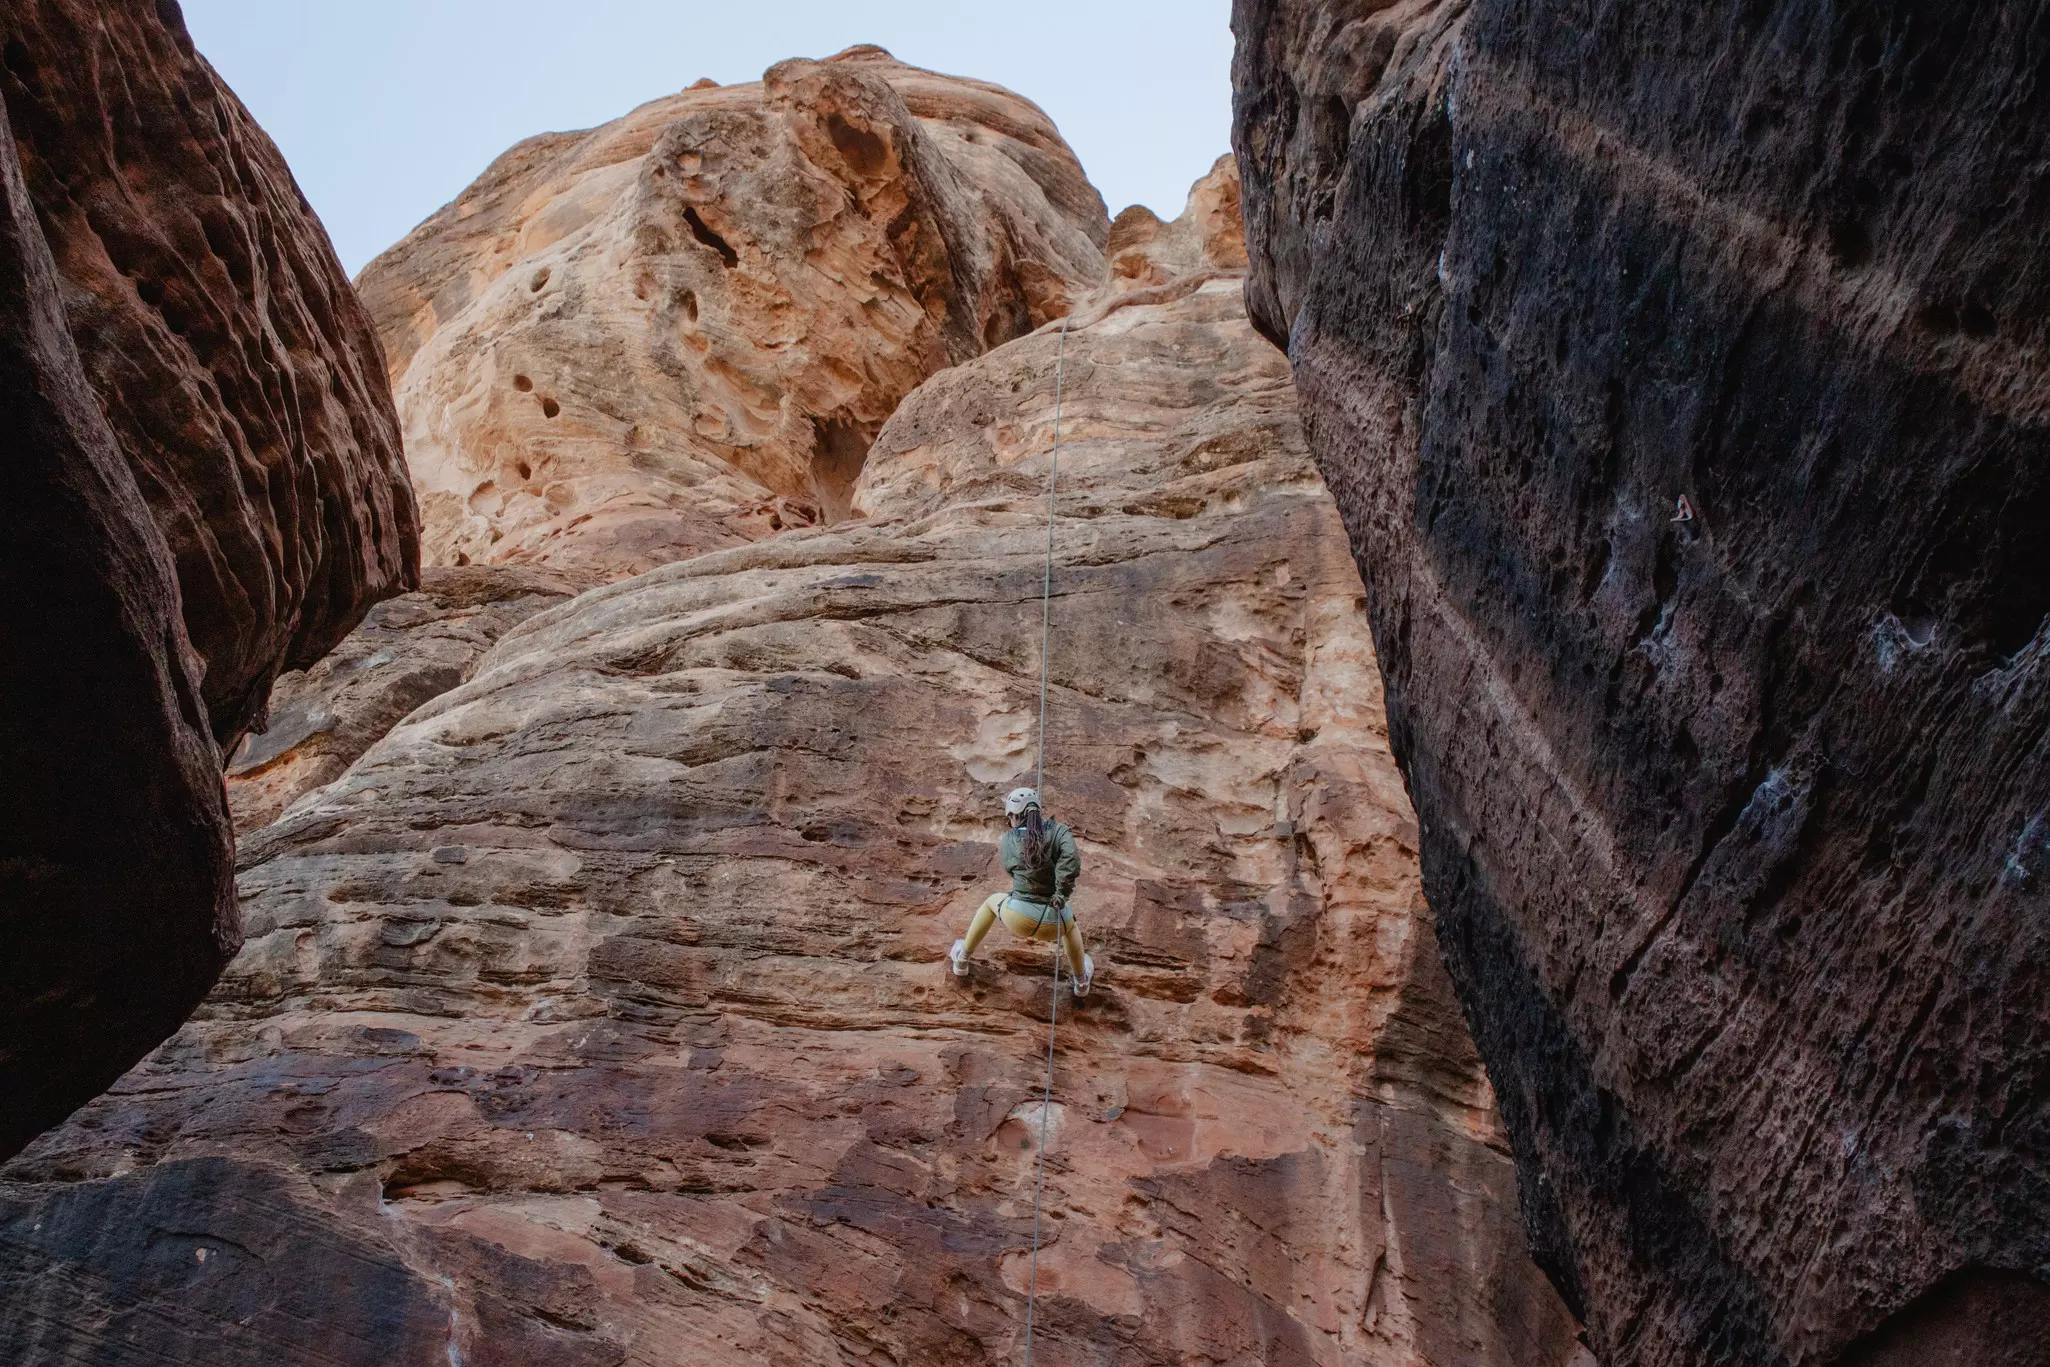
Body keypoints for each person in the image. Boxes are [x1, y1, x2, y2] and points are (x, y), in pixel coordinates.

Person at [950, 787, 1093, 994]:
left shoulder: (1008, 839)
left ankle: (962, 960)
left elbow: (1012, 870)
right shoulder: (1059, 831)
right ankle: (1081, 982)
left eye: (1010, 817)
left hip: (1018, 917)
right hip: (1053, 922)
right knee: (1071, 928)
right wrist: (1060, 894)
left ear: (1015, 815)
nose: (1010, 821)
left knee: (992, 901)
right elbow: (1071, 861)